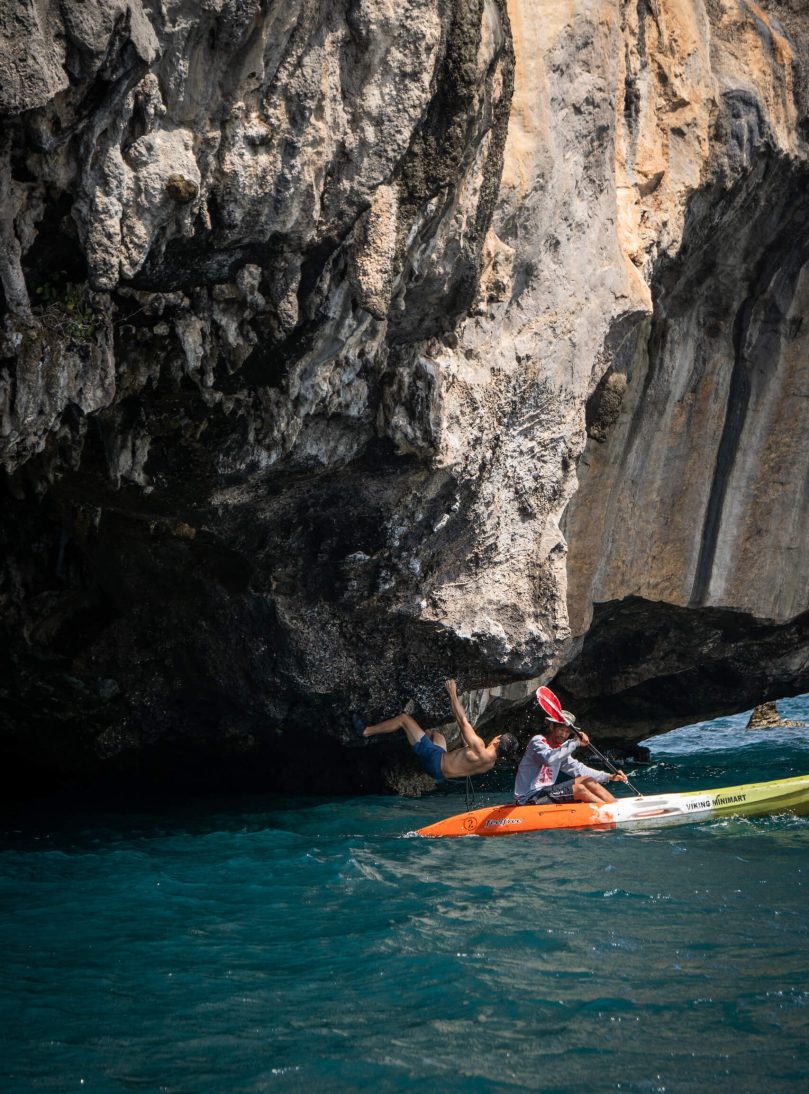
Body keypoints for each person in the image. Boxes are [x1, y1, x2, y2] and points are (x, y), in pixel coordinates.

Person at [361, 679, 519, 782]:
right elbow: (466, 751)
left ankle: (366, 731)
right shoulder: (489, 764)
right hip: (439, 774)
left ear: (498, 741)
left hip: (434, 759)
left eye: (498, 736)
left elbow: (462, 720)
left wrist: (453, 694)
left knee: (404, 719)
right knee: (437, 736)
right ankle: (420, 735)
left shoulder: (478, 745)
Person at [514, 708, 628, 805]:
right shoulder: (538, 742)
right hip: (528, 797)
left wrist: (609, 776)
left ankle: (614, 805)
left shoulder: (560, 751)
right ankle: (608, 811)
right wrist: (575, 742)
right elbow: (549, 759)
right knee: (579, 789)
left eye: (567, 732)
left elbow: (579, 769)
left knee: (587, 780)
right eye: (561, 729)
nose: (564, 735)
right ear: (551, 726)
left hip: (545, 793)